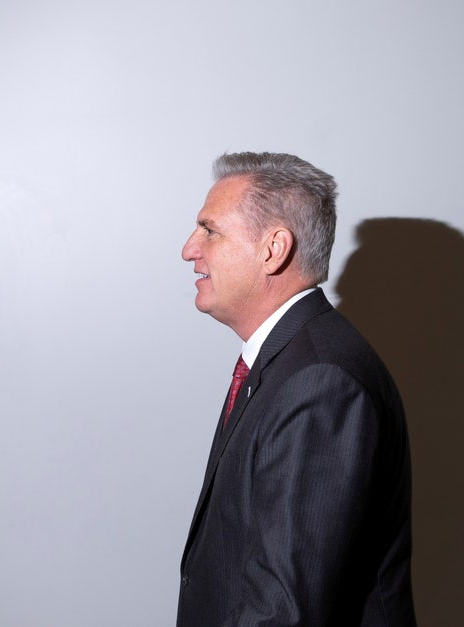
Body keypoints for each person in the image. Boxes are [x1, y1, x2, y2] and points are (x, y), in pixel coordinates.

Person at [176, 152, 416, 627]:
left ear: (273, 249)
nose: (189, 249)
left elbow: (283, 611)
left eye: (210, 230)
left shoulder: (320, 381)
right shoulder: (292, 360)